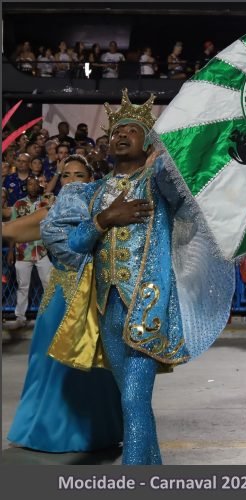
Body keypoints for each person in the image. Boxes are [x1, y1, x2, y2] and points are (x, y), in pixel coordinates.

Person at [40, 89, 234, 464]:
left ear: (148, 142)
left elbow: (184, 173)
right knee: (134, 405)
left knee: (132, 399)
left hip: (149, 305)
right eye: (115, 131)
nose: (121, 135)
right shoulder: (94, 193)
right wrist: (104, 219)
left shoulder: (157, 182)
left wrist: (214, 136)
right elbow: (78, 241)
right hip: (109, 310)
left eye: (132, 129)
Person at [4, 154, 123, 452]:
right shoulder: (50, 212)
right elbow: (9, 231)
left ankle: (97, 431)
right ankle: (46, 431)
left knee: (95, 366)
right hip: (58, 300)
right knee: (50, 363)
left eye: (79, 175)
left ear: (91, 179)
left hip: (94, 298)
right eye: (66, 175)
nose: (71, 181)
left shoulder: (104, 210)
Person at [5, 176, 55, 330]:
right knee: (23, 286)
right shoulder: (18, 204)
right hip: (23, 251)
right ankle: (20, 317)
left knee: (49, 284)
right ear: (26, 186)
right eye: (29, 184)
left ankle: (51, 316)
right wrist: (11, 251)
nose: (32, 186)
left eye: (35, 184)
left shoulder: (46, 202)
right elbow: (13, 229)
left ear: (39, 186)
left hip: (42, 250)